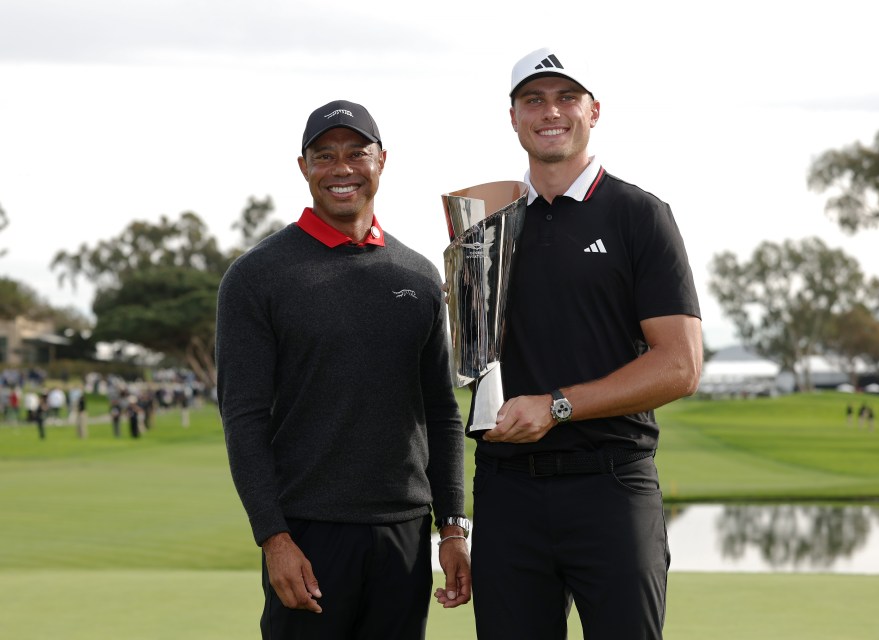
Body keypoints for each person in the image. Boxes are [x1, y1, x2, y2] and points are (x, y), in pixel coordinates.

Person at [451, 47, 703, 639]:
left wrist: (556, 405)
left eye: (567, 97)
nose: (551, 112)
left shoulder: (640, 215)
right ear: (512, 118)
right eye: (534, 100)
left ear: (594, 110)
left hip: (611, 486)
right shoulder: (485, 225)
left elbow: (680, 366)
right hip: (507, 485)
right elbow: (472, 357)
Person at [216, 99, 471, 640]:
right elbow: (244, 418)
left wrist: (452, 525)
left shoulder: (419, 275)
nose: (342, 169)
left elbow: (441, 412)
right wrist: (274, 540)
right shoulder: (256, 276)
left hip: (403, 532)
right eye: (325, 155)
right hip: (308, 534)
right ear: (304, 166)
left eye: (357, 153)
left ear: (382, 161)